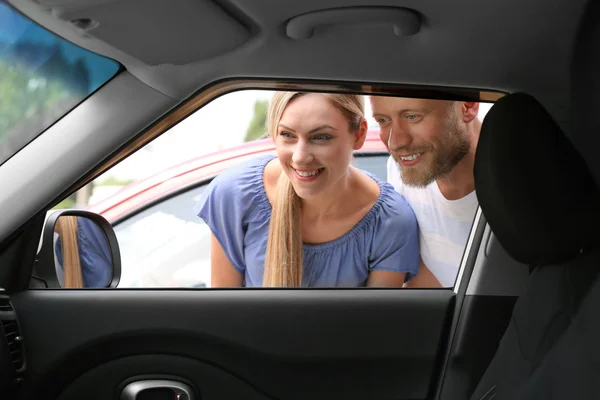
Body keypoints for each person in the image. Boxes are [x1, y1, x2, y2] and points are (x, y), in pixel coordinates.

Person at [195, 92, 420, 287]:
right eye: (287, 135)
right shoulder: (234, 194)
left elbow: (375, 328)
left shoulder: (391, 222)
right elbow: (226, 315)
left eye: (321, 137)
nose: (300, 157)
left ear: (359, 134)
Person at [370, 97, 481, 288]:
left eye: (412, 116)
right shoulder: (402, 169)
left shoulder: (519, 190)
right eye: (383, 121)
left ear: (467, 106)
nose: (395, 143)